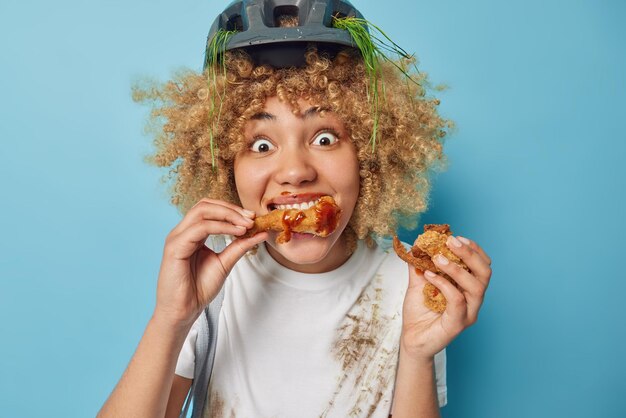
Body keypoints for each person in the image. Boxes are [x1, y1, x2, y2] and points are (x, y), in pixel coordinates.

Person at [98, 1, 492, 417]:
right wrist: (171, 319)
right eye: (261, 144)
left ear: (368, 153)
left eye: (324, 138)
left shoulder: (408, 286)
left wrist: (416, 352)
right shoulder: (210, 282)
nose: (295, 171)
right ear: (226, 164)